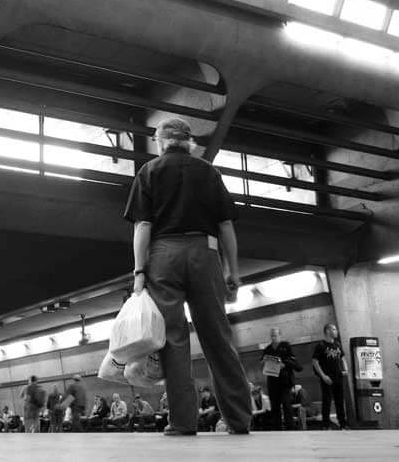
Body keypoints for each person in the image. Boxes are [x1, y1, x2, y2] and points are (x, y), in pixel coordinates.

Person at [124, 118, 252, 436]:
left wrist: (140, 272)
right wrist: (232, 271)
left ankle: (183, 422)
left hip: (163, 256)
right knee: (217, 335)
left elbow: (142, 227)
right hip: (205, 253)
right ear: (189, 142)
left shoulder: (149, 171)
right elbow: (226, 227)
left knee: (172, 339)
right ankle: (238, 419)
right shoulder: (209, 172)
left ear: (161, 142)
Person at [261, 327, 301, 430]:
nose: (273, 337)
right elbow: (262, 362)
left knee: (287, 404)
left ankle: (290, 427)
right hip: (272, 381)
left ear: (280, 335)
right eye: (272, 335)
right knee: (275, 407)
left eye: (275, 335)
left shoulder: (286, 346)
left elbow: (293, 360)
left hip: (285, 381)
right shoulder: (267, 349)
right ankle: (277, 429)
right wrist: (264, 360)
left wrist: (284, 364)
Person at [312, 323, 349, 430]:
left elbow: (342, 357)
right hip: (327, 378)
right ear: (328, 331)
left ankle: (343, 424)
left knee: (340, 401)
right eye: (334, 329)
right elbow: (315, 361)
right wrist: (323, 376)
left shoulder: (337, 344)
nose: (336, 331)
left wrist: (345, 369)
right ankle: (326, 425)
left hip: (339, 377)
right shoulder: (321, 346)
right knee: (327, 401)